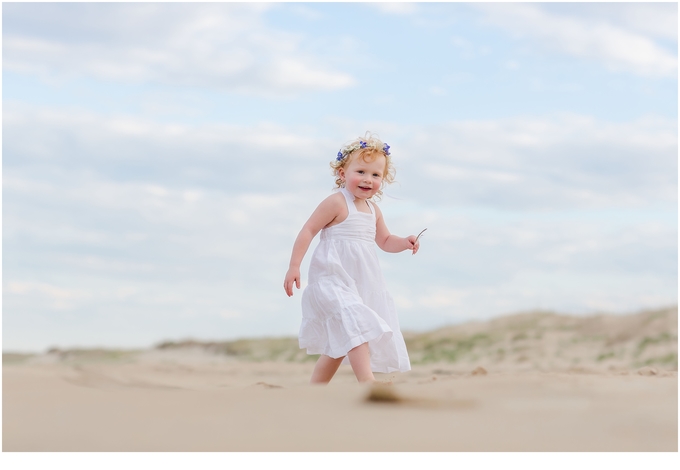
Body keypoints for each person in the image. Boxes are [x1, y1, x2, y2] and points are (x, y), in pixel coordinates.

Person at [283, 132, 419, 384]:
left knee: (340, 344)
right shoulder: (336, 202)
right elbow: (308, 230)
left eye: (375, 175)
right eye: (361, 172)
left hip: (361, 284)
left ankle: (315, 389)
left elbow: (385, 241)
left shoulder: (372, 210)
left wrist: (404, 242)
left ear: (383, 180)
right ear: (343, 173)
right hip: (332, 279)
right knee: (357, 327)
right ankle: (368, 385)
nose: (368, 179)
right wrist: (294, 266)